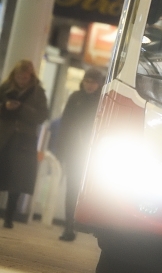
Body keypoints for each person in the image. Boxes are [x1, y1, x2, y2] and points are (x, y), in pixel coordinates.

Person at [53, 68, 103, 241]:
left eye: (93, 82)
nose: (90, 85)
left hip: (92, 153)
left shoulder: (102, 101)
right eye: (87, 81)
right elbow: (65, 123)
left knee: (88, 191)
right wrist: (60, 148)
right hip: (74, 150)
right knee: (72, 188)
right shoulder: (75, 97)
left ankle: (82, 224)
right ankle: (69, 226)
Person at [0, 60, 48, 229]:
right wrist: (5, 106)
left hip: (24, 140)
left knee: (18, 178)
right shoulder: (5, 88)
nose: (21, 80)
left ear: (30, 76)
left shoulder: (38, 92)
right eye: (19, 77)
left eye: (25, 77)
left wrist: (22, 109)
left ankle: (9, 217)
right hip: (4, 137)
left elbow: (43, 115)